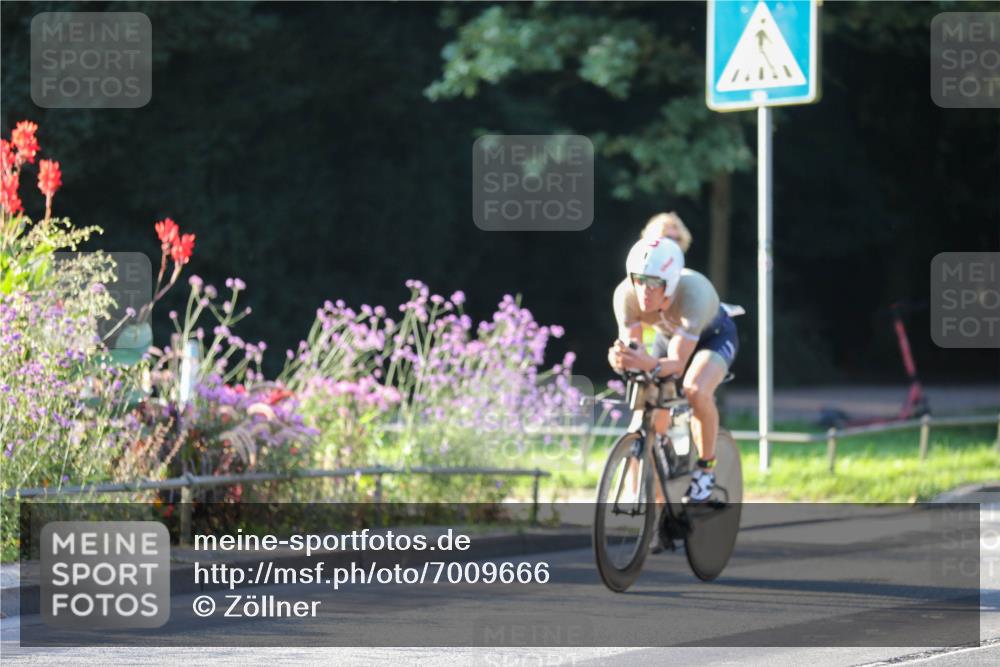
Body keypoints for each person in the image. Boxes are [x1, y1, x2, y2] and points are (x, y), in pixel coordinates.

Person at [607, 237, 739, 503]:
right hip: (667, 339)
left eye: (654, 283)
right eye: (639, 279)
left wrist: (645, 362)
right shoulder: (625, 295)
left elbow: (677, 364)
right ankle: (654, 508)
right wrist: (621, 358)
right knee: (645, 417)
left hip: (712, 338)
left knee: (695, 389)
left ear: (670, 283)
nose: (644, 290)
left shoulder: (694, 294)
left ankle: (706, 468)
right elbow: (633, 348)